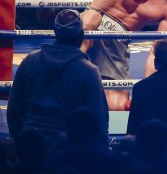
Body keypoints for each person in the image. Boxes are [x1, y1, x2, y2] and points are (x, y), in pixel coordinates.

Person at [7, 9, 108, 153]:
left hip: (30, 145)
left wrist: (20, 141)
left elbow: (14, 109)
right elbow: (99, 119)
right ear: (81, 36)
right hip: (68, 150)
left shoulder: (30, 61)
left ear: (55, 32)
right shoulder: (88, 71)